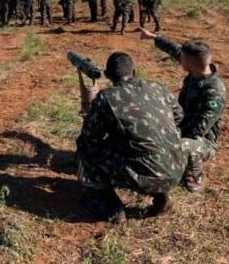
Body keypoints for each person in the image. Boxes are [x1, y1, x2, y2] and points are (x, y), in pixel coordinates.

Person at [76, 52, 185, 223]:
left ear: (107, 75)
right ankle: (161, 194)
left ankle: (111, 207)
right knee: (146, 150)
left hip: (144, 173)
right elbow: (178, 115)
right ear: (134, 72)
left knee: (86, 149)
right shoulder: (157, 87)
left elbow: (89, 139)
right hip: (177, 166)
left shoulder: (107, 97)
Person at [140, 28, 227, 192]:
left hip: (202, 140)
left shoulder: (214, 92)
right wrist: (153, 37)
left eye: (182, 59)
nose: (179, 60)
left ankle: (194, 176)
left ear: (192, 65)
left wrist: (169, 135)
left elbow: (198, 129)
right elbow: (175, 49)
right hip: (182, 124)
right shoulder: (197, 69)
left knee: (180, 145)